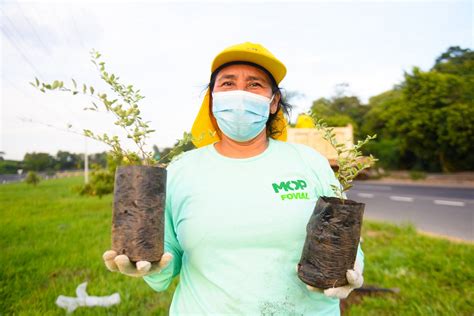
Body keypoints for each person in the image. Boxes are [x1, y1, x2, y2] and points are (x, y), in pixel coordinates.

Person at [103, 42, 364, 315]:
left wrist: (352, 264)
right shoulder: (181, 170)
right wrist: (150, 267)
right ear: (213, 99)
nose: (240, 93)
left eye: (254, 85)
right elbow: (168, 255)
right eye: (228, 83)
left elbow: (346, 238)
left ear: (273, 102)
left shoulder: (309, 162)